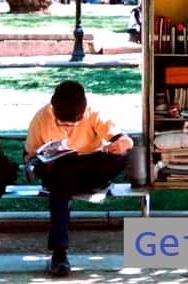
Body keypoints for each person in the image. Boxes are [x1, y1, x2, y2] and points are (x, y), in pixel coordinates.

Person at [24, 80, 133, 277]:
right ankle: (59, 253)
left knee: (123, 157)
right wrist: (39, 160)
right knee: (60, 179)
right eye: (62, 123)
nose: (68, 127)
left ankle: (59, 254)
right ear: (52, 107)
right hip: (57, 170)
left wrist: (123, 143)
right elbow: (29, 155)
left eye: (73, 122)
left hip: (89, 167)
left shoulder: (94, 112)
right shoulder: (41, 117)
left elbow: (121, 139)